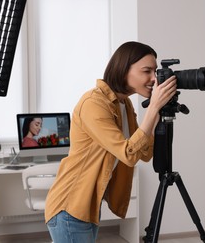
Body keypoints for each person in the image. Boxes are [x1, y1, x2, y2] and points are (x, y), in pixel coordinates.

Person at [44, 41, 177, 242]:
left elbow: (145, 154)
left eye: (155, 71)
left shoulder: (124, 103)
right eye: (146, 71)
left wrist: (157, 113)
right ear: (124, 70)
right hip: (70, 204)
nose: (153, 79)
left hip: (88, 205)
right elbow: (129, 155)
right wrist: (152, 109)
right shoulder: (94, 103)